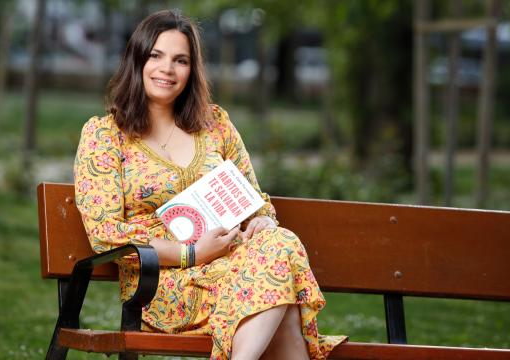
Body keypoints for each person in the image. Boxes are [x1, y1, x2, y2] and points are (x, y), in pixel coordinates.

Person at [74, 9, 346, 360]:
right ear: (137, 59)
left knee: (278, 243)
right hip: (162, 284)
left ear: (192, 69)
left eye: (180, 60)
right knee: (281, 296)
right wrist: (192, 253)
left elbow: (255, 199)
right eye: (156, 56)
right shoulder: (104, 136)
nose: (167, 70)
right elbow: (105, 234)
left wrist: (262, 220)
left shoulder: (215, 124)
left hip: (240, 269)